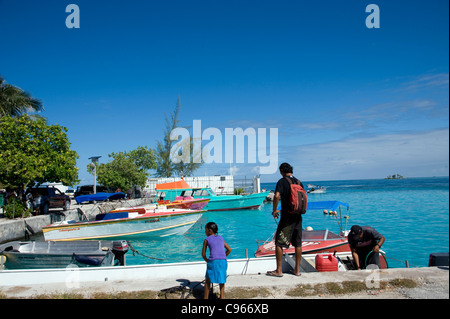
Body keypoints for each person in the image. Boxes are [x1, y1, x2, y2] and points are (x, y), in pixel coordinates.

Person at [266, 162, 304, 277]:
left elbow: (276, 196)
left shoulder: (282, 181)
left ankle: (279, 270)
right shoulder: (299, 182)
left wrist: (274, 210)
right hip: (298, 217)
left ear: (282, 171)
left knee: (279, 242)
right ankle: (297, 270)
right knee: (298, 244)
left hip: (287, 218)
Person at [202, 222, 232, 299]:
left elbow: (203, 254)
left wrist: (207, 261)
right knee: (222, 280)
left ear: (209, 230)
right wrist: (222, 256)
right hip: (223, 261)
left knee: (208, 281)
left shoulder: (206, 239)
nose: (205, 232)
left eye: (205, 230)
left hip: (213, 261)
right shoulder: (221, 238)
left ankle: (205, 298)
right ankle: (222, 297)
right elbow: (229, 249)